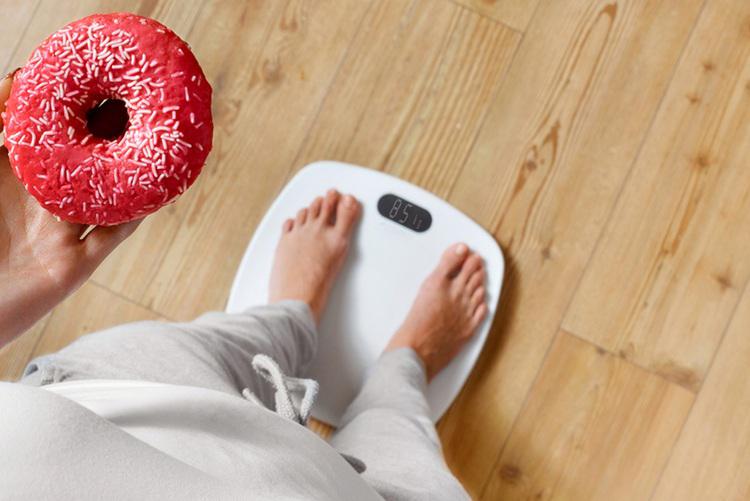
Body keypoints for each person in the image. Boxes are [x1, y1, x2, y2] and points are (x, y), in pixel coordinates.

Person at [0, 70, 488, 500]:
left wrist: (8, 293)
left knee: (230, 344)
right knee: (400, 439)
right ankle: (406, 363)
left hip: (91, 411)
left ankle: (292, 311)